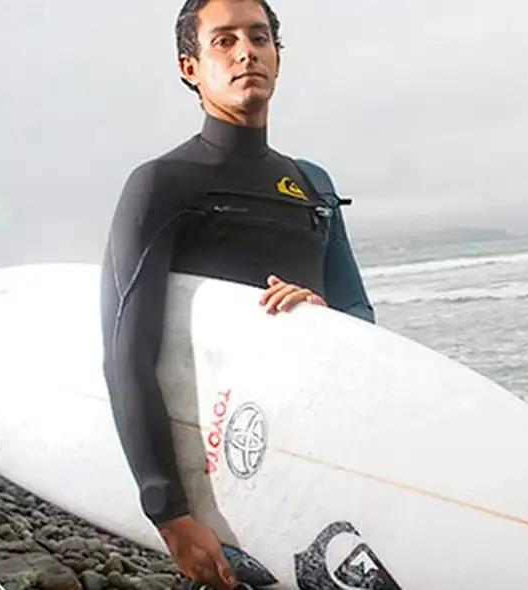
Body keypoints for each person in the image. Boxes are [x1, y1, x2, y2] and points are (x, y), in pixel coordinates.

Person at [98, 0, 374, 587]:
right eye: (222, 40)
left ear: (278, 55)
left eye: (259, 37)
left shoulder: (311, 183)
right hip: (220, 477)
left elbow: (360, 315)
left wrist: (325, 322)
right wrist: (169, 511)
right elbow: (126, 353)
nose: (246, 51)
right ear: (189, 67)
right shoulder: (161, 185)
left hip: (320, 460)